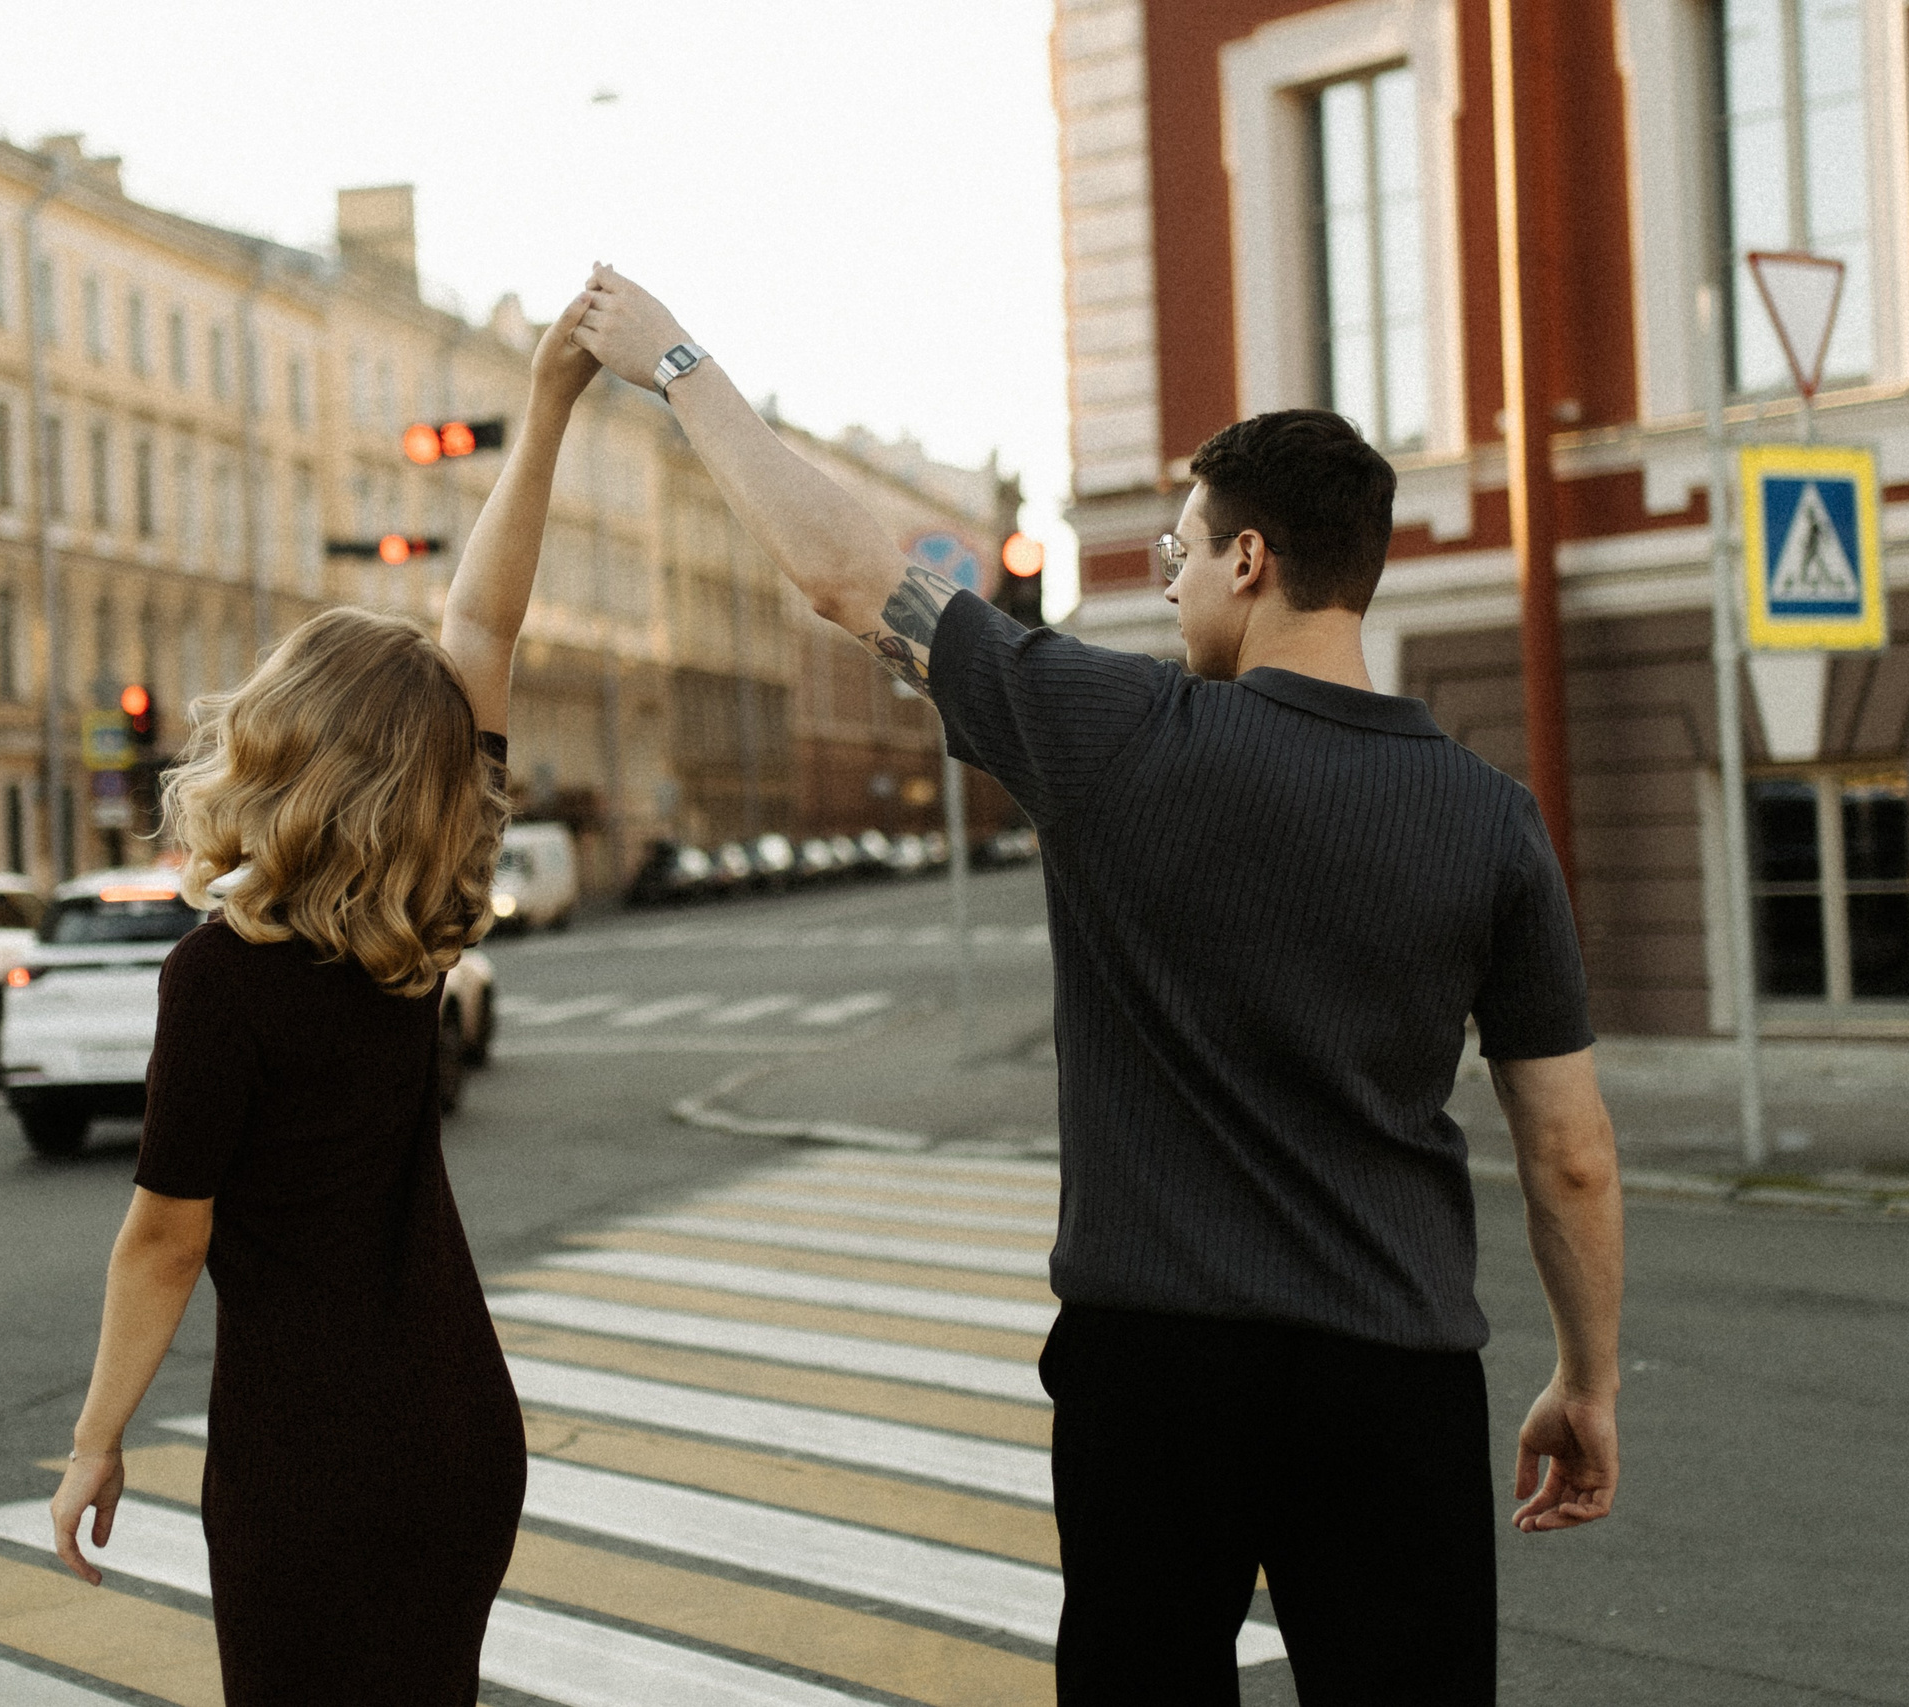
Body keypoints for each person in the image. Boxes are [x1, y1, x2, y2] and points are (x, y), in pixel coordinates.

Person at [571, 269, 1623, 1704]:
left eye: (1182, 553)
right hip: (1395, 1372)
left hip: (1156, 1373)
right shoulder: (1491, 821)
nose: (1166, 583)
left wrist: (679, 361)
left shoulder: (1120, 735)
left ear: (1251, 560)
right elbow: (1567, 1155)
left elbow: (843, 576)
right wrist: (1586, 1381)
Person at [45, 293, 604, 1704]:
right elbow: (484, 618)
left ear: (279, 751)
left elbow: (165, 1241)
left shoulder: (218, 980)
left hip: (311, 1457)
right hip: (460, 1427)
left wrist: (96, 1439)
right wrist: (544, 405)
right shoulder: (421, 929)